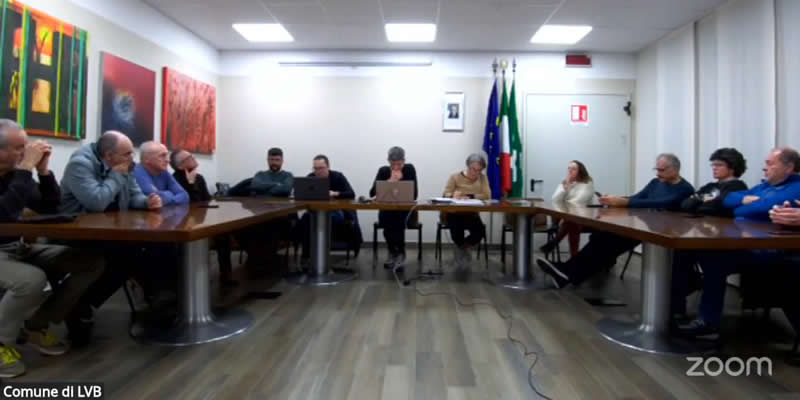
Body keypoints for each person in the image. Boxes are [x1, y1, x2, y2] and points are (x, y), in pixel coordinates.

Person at [0, 120, 104, 378]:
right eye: (18, 147)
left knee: (90, 262)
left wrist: (44, 172)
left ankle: (36, 324)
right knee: (31, 280)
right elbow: (4, 214)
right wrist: (26, 167)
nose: (25, 152)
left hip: (16, 247)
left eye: (25, 147)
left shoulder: (15, 175)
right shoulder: (19, 173)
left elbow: (51, 206)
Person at [676, 147, 800, 340]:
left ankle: (708, 323)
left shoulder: (796, 187)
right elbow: (729, 200)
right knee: (688, 251)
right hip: (748, 242)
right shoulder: (765, 187)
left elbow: (758, 208)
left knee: (714, 258)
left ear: (789, 167)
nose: (764, 168)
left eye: (770, 164)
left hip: (771, 249)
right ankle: (677, 308)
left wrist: (747, 204)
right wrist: (749, 202)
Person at [59, 131, 162, 346]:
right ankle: (79, 305)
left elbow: (134, 194)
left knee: (147, 248)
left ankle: (84, 303)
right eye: (127, 154)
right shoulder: (80, 164)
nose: (131, 158)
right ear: (108, 155)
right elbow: (97, 202)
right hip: (78, 231)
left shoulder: (124, 165)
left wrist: (147, 202)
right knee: (129, 253)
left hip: (112, 229)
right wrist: (116, 176)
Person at [537, 153, 694, 289]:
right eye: (656, 169)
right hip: (644, 226)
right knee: (602, 236)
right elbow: (637, 198)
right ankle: (567, 272)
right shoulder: (655, 183)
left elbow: (661, 203)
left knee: (608, 242)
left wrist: (625, 202)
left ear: (675, 169)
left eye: (661, 170)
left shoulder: (685, 189)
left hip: (664, 233)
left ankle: (567, 273)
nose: (658, 174)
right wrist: (616, 200)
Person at [670, 148, 748, 319]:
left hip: (722, 240)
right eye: (713, 165)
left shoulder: (737, 187)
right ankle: (676, 307)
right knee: (678, 255)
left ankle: (706, 319)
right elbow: (686, 204)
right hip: (703, 235)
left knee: (711, 263)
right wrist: (705, 201)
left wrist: (701, 201)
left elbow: (718, 207)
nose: (714, 168)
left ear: (732, 167)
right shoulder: (710, 186)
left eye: (719, 165)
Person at [170, 149, 235, 285]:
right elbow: (190, 204)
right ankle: (195, 279)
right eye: (189, 157)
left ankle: (226, 275)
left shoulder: (199, 178)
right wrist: (191, 184)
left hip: (202, 220)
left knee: (224, 234)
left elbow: (206, 201)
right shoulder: (174, 180)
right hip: (184, 223)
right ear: (180, 165)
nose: (193, 158)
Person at [239, 148, 295, 270]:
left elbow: (286, 189)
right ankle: (256, 258)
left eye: (277, 160)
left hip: (279, 214)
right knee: (244, 227)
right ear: (267, 160)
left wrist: (264, 189)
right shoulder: (260, 174)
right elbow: (255, 186)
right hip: (258, 212)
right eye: (271, 159)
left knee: (272, 225)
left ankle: (267, 260)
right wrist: (276, 185)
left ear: (282, 161)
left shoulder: (288, 175)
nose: (274, 162)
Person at [300, 155, 358, 260]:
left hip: (335, 211)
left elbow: (351, 194)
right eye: (315, 168)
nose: (318, 171)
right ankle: (307, 256)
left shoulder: (337, 176)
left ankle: (322, 253)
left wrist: (335, 193)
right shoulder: (310, 177)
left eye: (321, 168)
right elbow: (302, 194)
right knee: (305, 219)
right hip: (315, 211)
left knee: (327, 220)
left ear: (328, 167)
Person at [369, 146, 418, 269]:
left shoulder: (409, 169)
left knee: (397, 219)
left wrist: (400, 182)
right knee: (388, 218)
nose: (396, 167)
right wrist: (390, 181)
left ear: (404, 161)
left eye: (399, 164)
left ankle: (399, 253)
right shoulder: (383, 171)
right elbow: (372, 193)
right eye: (393, 164)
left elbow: (414, 194)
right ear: (388, 161)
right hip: (387, 211)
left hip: (406, 211)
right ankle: (394, 252)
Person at [443, 153, 492, 269]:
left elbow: (487, 195)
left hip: (471, 213)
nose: (475, 173)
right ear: (467, 166)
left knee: (480, 231)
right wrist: (453, 195)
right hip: (454, 213)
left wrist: (470, 196)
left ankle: (463, 248)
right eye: (472, 169)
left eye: (479, 170)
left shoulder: (483, 178)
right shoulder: (455, 177)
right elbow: (445, 194)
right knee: (457, 232)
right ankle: (462, 250)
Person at [540, 160, 595, 257]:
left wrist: (565, 213)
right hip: (567, 218)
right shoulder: (566, 182)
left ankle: (555, 241)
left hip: (584, 218)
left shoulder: (587, 183)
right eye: (569, 168)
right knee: (572, 223)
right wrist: (564, 189)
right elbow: (555, 200)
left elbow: (578, 202)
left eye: (573, 169)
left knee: (572, 222)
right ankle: (574, 258)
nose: (570, 171)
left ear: (580, 171)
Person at [133, 141, 189, 206]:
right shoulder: (137, 172)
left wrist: (169, 198)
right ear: (146, 159)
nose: (168, 160)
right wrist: (170, 193)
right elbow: (155, 198)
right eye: (162, 156)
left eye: (167, 155)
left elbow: (184, 195)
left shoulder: (164, 172)